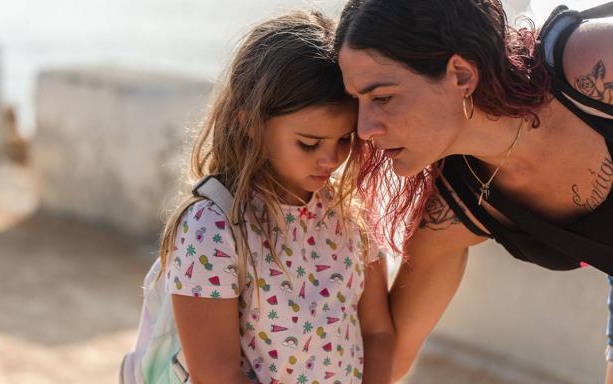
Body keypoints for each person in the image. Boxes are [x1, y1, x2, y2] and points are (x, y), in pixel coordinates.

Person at [334, 0, 613, 382]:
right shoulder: (456, 207)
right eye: (357, 102)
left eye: (382, 97)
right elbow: (387, 356)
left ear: (461, 74)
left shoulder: (593, 64)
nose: (364, 128)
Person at [159, 10, 394, 384]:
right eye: (308, 143)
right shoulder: (213, 229)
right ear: (249, 122)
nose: (331, 159)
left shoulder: (352, 215)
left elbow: (378, 334)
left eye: (345, 140)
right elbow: (215, 373)